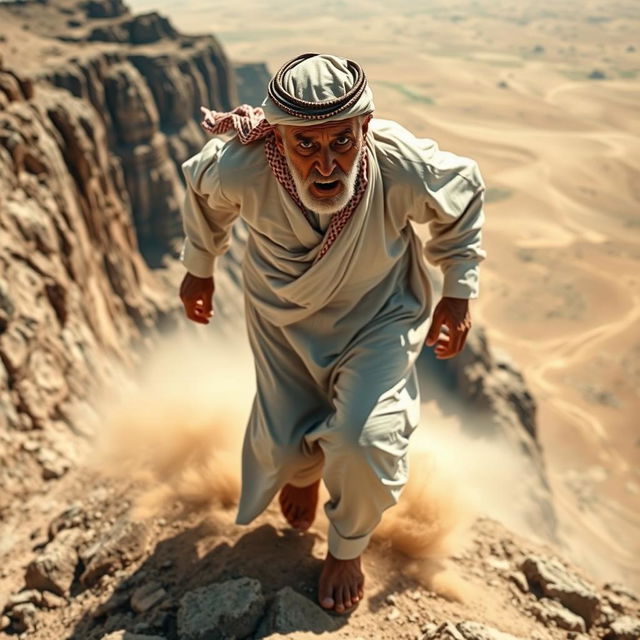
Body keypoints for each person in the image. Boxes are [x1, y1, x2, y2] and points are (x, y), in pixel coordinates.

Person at [178, 52, 486, 614]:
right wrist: (200, 265)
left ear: (363, 128)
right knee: (282, 440)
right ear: (280, 134)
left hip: (379, 316)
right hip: (281, 318)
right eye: (307, 145)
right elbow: (202, 193)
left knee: (364, 438)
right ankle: (303, 468)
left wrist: (458, 291)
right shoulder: (243, 167)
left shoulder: (396, 164)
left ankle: (347, 545)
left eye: (341, 142)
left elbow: (462, 193)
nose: (327, 166)